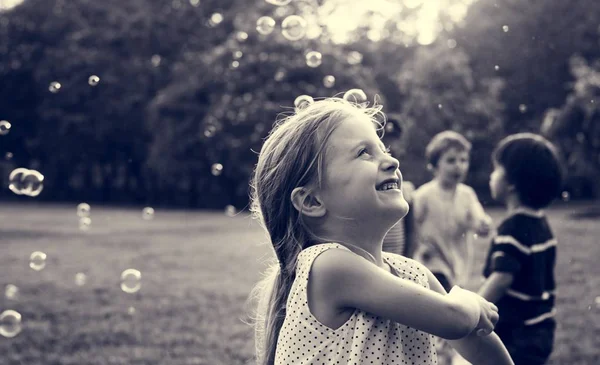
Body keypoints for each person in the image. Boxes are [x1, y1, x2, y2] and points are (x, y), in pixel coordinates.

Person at [246, 97, 513, 365]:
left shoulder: (412, 273)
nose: (392, 161)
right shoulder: (327, 266)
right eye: (364, 153)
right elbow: (457, 320)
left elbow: (474, 342)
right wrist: (468, 301)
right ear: (312, 201)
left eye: (384, 149)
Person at [409, 131, 493, 365]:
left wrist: (483, 224)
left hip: (458, 264)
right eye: (451, 160)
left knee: (447, 313)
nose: (458, 166)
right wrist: (420, 246)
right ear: (435, 165)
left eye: (463, 160)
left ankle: (442, 352)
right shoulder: (423, 195)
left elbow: (477, 217)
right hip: (432, 264)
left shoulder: (466, 194)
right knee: (444, 310)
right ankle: (441, 352)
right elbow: (411, 226)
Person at [478, 133, 563, 365]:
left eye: (496, 169)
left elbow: (502, 277)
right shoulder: (540, 223)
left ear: (511, 183)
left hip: (517, 333)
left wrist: (473, 308)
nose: (491, 176)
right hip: (540, 328)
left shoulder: (512, 228)